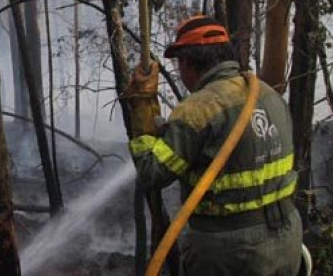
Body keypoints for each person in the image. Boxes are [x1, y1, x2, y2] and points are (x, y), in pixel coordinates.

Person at [124, 16, 302, 275]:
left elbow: (152, 173)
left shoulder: (198, 111)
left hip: (228, 251)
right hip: (286, 238)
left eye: (179, 64)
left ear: (186, 62)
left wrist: (142, 105)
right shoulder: (268, 95)